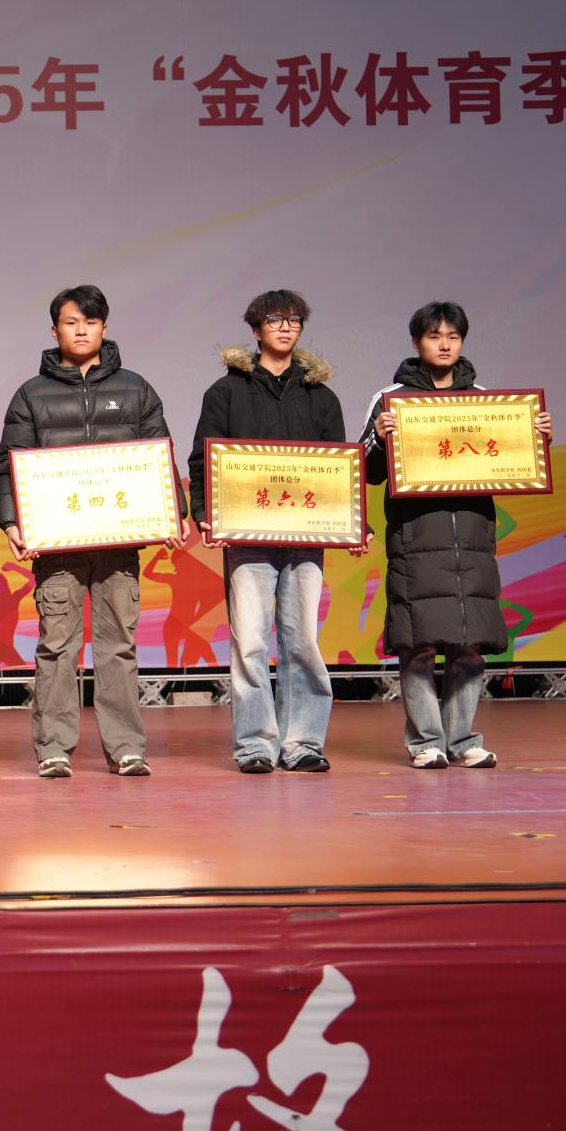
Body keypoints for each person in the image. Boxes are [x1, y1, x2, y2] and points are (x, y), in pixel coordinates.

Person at [0, 284, 186, 778]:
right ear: (54, 330)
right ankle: (53, 748)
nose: (81, 331)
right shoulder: (30, 394)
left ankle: (126, 748)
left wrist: (173, 513)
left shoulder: (136, 389)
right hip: (57, 544)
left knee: (118, 644)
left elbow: (159, 454)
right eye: (71, 322)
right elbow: (11, 464)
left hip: (117, 544)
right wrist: (11, 520)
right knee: (56, 645)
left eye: (91, 322)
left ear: (105, 327)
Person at [360, 301, 551, 769]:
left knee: (470, 642)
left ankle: (463, 740)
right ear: (416, 342)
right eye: (434, 336)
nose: (444, 344)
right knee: (418, 643)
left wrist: (535, 440)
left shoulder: (487, 402)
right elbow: (367, 472)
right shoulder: (391, 399)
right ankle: (426, 742)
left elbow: (511, 462)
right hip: (415, 540)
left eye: (453, 336)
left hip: (471, 538)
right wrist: (380, 438)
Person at [189, 290, 364, 775]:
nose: (285, 328)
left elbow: (338, 471)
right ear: (256, 329)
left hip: (306, 540)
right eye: (275, 319)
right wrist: (204, 512)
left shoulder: (321, 397)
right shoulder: (225, 393)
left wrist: (355, 522)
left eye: (293, 320)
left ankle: (303, 741)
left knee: (302, 641)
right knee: (249, 644)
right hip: (246, 541)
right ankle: (256, 744)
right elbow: (203, 460)